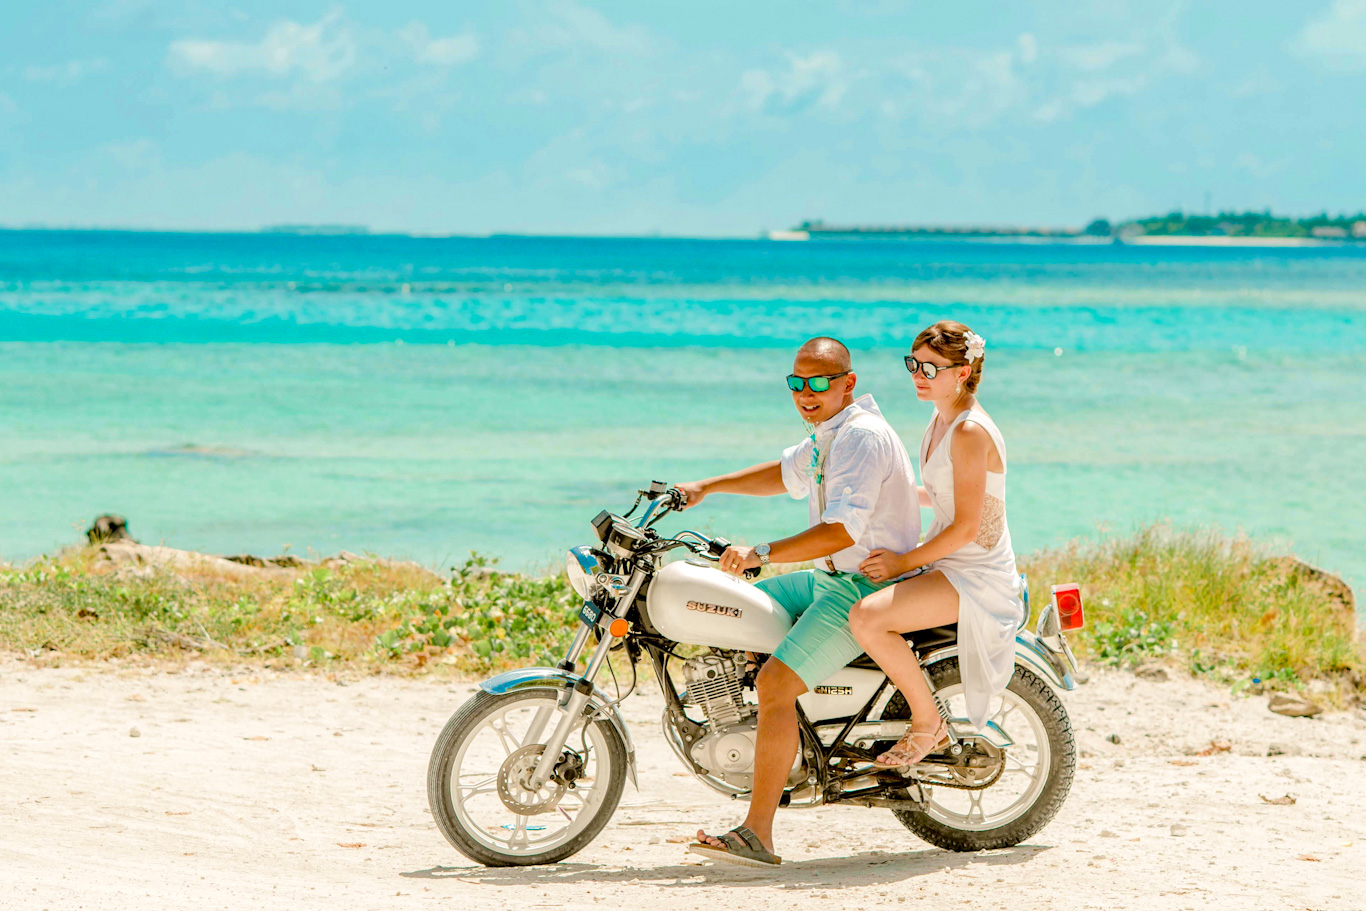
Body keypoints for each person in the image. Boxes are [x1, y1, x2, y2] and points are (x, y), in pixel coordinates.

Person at [676, 336, 921, 867]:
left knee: (774, 684)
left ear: (847, 384)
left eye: (818, 382)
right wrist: (705, 487)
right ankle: (781, 731)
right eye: (796, 383)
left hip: (861, 586)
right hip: (829, 578)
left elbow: (839, 531)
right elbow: (781, 474)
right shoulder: (828, 434)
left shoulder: (861, 439)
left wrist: (763, 552)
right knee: (738, 608)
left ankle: (757, 832)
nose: (805, 393)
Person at [850, 320, 1025, 766]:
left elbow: (967, 527)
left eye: (930, 368)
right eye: (913, 364)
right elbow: (944, 496)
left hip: (975, 574)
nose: (917, 375)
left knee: (868, 619)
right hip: (950, 561)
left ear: (962, 373)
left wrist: (902, 562)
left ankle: (930, 723)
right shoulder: (941, 419)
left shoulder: (969, 432)